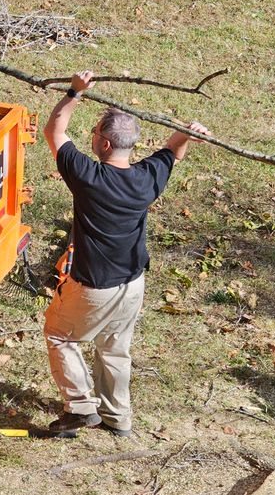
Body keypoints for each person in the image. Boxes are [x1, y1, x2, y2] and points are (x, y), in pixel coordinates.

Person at [43, 70, 209, 436]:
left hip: (93, 286)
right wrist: (186, 134)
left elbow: (54, 132)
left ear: (103, 144)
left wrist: (75, 92)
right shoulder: (147, 178)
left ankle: (81, 407)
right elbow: (172, 153)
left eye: (94, 133)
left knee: (60, 335)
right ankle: (118, 418)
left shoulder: (89, 176)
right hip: (132, 284)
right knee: (115, 349)